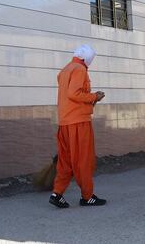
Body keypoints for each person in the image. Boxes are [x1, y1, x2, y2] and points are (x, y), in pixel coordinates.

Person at [49, 44, 106, 208]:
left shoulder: (65, 69)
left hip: (64, 122)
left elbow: (69, 96)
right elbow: (74, 94)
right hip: (78, 122)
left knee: (65, 161)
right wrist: (95, 96)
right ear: (86, 58)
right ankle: (87, 197)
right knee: (83, 159)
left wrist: (92, 99)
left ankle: (57, 194)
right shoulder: (80, 69)